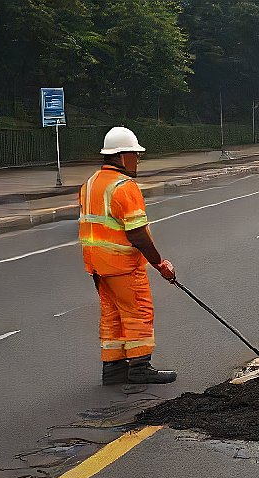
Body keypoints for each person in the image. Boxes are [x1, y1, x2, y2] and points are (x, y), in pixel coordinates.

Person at [79, 126, 177, 385]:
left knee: (112, 315)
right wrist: (159, 263)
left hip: (98, 267)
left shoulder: (89, 184)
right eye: (135, 154)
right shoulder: (124, 187)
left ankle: (113, 368)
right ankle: (140, 367)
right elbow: (137, 233)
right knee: (138, 312)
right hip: (122, 265)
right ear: (122, 156)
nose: (138, 160)